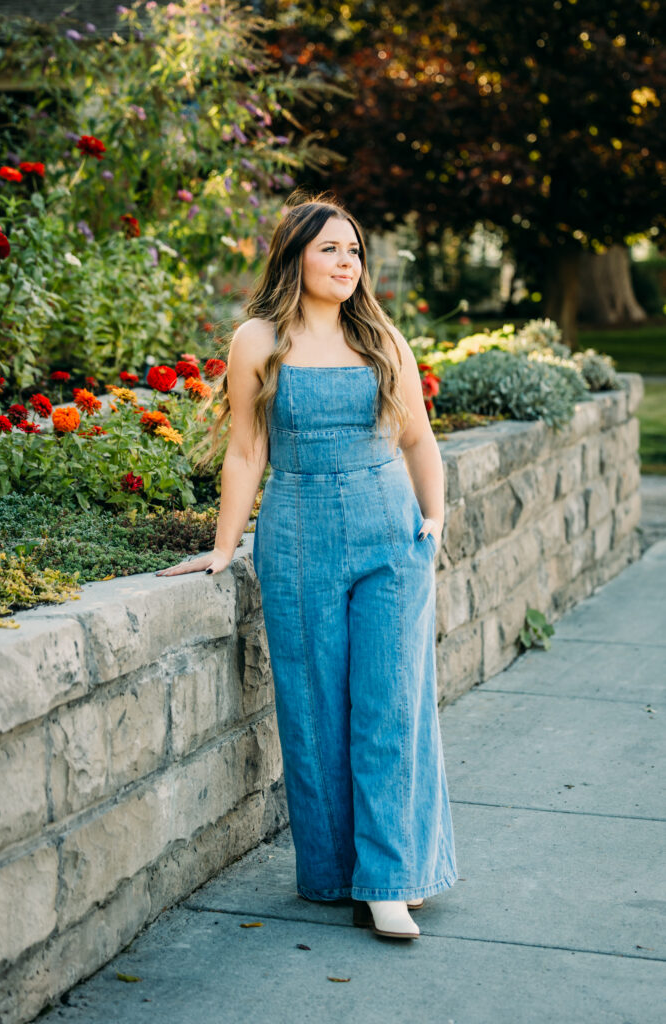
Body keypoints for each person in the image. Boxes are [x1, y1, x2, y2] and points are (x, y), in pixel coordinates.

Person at [156, 192, 458, 940]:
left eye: (354, 250)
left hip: (390, 536)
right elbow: (245, 451)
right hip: (297, 537)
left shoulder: (381, 337)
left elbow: (419, 440)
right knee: (314, 707)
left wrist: (433, 518)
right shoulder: (259, 339)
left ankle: (389, 878)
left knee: (391, 706)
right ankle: (332, 872)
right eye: (329, 249)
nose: (346, 262)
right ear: (294, 256)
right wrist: (225, 547)